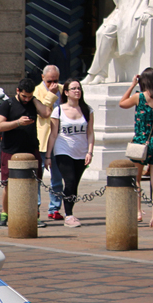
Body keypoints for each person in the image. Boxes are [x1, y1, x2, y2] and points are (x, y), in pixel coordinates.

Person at [119, 67, 153, 227]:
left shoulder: (139, 97)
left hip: (140, 141)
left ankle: (138, 212)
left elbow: (122, 103)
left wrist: (131, 85)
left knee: (136, 179)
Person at [0, 78, 51, 227]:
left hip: (31, 148)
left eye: (29, 96)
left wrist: (35, 100)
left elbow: (46, 113)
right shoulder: (8, 104)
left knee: (34, 182)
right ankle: (5, 213)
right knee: (8, 183)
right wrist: (18, 122)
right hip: (10, 149)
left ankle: (33, 213)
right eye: (24, 96)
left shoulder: (33, 102)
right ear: (17, 91)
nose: (26, 99)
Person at [46, 79, 94, 228]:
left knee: (75, 184)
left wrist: (90, 152)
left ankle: (70, 211)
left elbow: (90, 132)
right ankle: (69, 215)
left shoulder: (87, 110)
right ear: (66, 92)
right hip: (63, 150)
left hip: (81, 151)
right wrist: (48, 156)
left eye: (78, 88)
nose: (77, 91)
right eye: (73, 89)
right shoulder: (58, 110)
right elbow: (53, 134)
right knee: (70, 180)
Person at [34, 65, 63, 220]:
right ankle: (36, 206)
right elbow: (43, 112)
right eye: (50, 81)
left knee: (57, 177)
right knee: (37, 176)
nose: (53, 84)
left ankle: (55, 208)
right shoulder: (36, 91)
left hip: (60, 140)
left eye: (56, 81)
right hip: (42, 139)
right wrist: (51, 94)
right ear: (42, 77)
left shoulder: (64, 90)